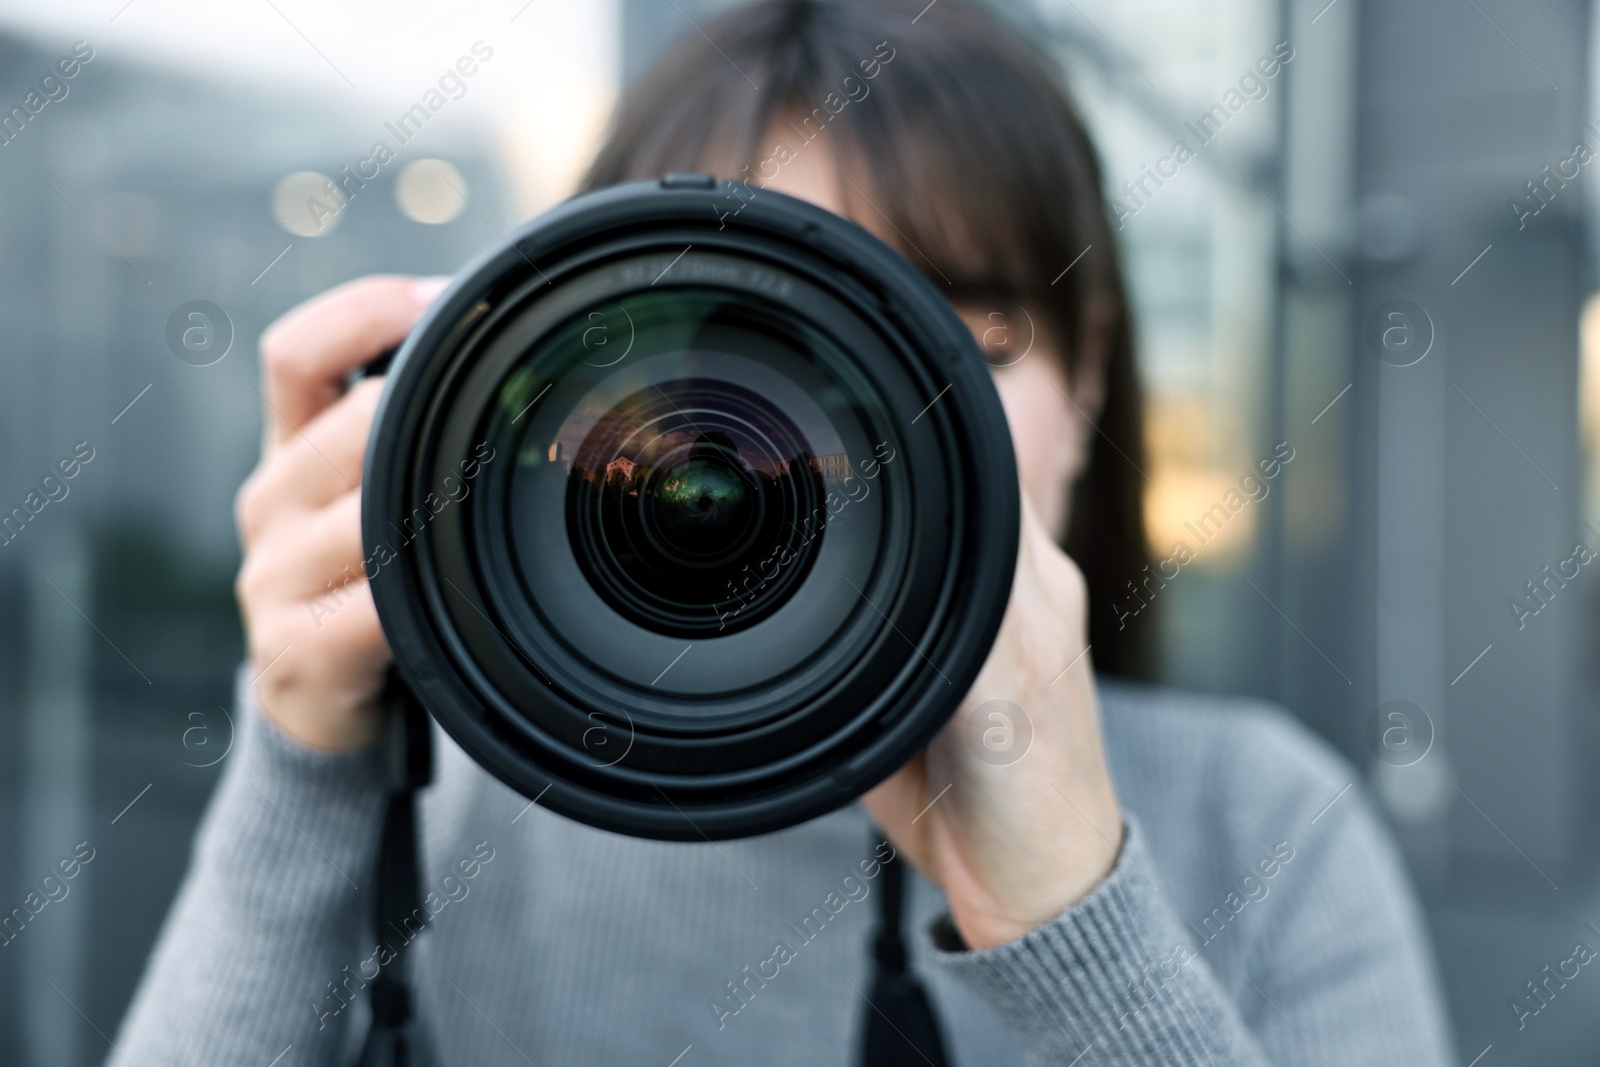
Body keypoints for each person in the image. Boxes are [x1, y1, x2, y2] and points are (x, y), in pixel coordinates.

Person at [112, 1, 1456, 1063]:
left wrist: (1076, 924)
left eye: (962, 344)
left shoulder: (1265, 830)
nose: (874, 444)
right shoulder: (448, 802)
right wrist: (304, 762)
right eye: (756, 348)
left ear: (1090, 379)